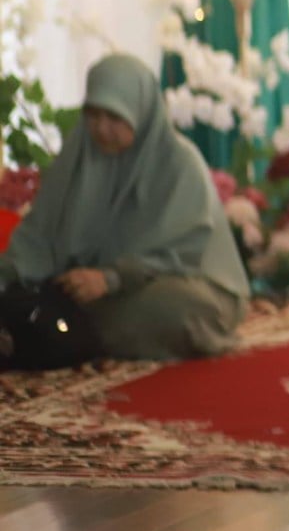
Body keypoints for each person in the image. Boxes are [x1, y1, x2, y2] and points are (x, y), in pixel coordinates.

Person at [0, 54, 248, 368]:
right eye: (93, 114)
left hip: (181, 284)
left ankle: (71, 331)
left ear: (141, 112)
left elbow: (180, 252)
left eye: (115, 117)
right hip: (89, 291)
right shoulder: (79, 157)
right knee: (49, 298)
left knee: (176, 309)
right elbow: (39, 234)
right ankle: (68, 329)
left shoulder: (179, 163)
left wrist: (112, 278)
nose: (101, 128)